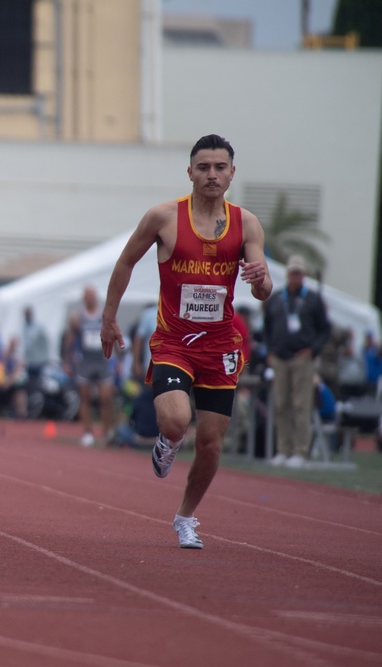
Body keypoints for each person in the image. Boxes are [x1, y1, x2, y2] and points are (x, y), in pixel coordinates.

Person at [100, 134, 273, 549]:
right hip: (174, 342)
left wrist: (261, 278)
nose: (211, 175)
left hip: (221, 346)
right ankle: (168, 441)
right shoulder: (163, 218)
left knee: (212, 443)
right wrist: (108, 319)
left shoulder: (246, 223)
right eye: (203, 167)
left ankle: (186, 517)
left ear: (232, 173)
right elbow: (125, 262)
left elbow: (263, 291)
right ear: (190, 172)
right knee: (176, 419)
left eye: (219, 167)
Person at [262, 254, 330, 468]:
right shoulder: (276, 298)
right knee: (281, 404)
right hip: (279, 358)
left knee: (301, 405)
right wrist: (269, 352)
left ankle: (301, 451)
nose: (295, 277)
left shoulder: (313, 299)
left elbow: (324, 328)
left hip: (302, 357)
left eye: (299, 273)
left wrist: (313, 350)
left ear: (304, 276)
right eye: (292, 273)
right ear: (288, 274)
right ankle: (283, 449)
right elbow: (266, 327)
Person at [64, 285, 116, 447]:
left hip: (103, 361)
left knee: (105, 398)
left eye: (92, 295)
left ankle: (108, 432)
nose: (90, 298)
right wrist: (66, 360)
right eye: (87, 296)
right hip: (85, 361)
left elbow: (114, 334)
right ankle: (87, 432)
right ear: (84, 298)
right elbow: (71, 338)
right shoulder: (77, 317)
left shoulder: (104, 315)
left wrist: (119, 358)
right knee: (85, 399)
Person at [18, 306, 50, 419]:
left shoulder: (38, 327)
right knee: (27, 388)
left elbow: (46, 343)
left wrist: (45, 358)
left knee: (38, 389)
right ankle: (28, 412)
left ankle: (39, 412)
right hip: (29, 363)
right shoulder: (24, 327)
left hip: (39, 362)